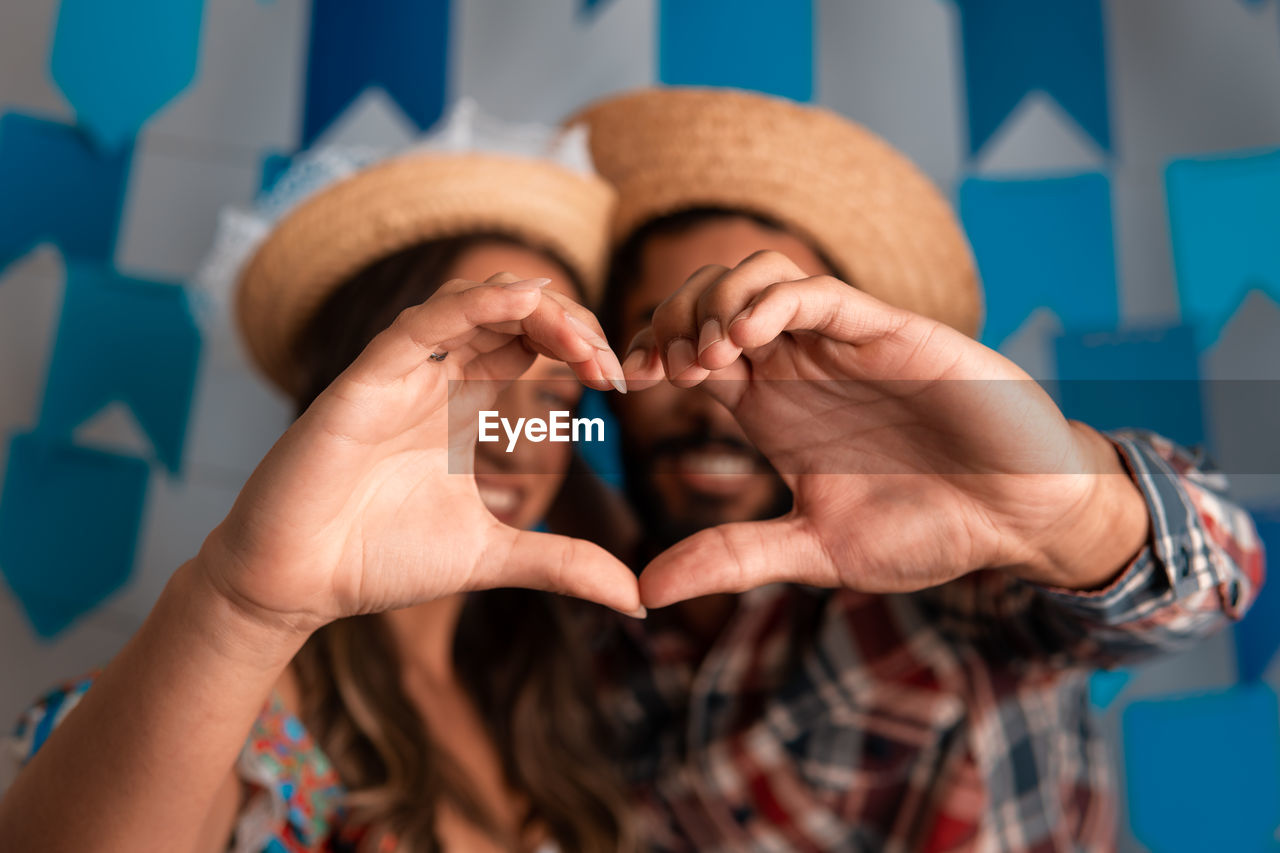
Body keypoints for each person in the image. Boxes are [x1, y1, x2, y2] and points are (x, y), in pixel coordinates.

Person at [563, 86, 1266, 851]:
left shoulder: (955, 571)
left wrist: (1070, 517)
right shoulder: (571, 643)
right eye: (667, 341)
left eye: (763, 347)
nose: (709, 398)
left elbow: (1210, 580)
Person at [0, 108, 643, 853]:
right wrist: (241, 611)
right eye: (474, 377)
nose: (512, 441)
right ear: (349, 384)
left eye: (557, 400)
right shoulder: (250, 709)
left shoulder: (556, 687)